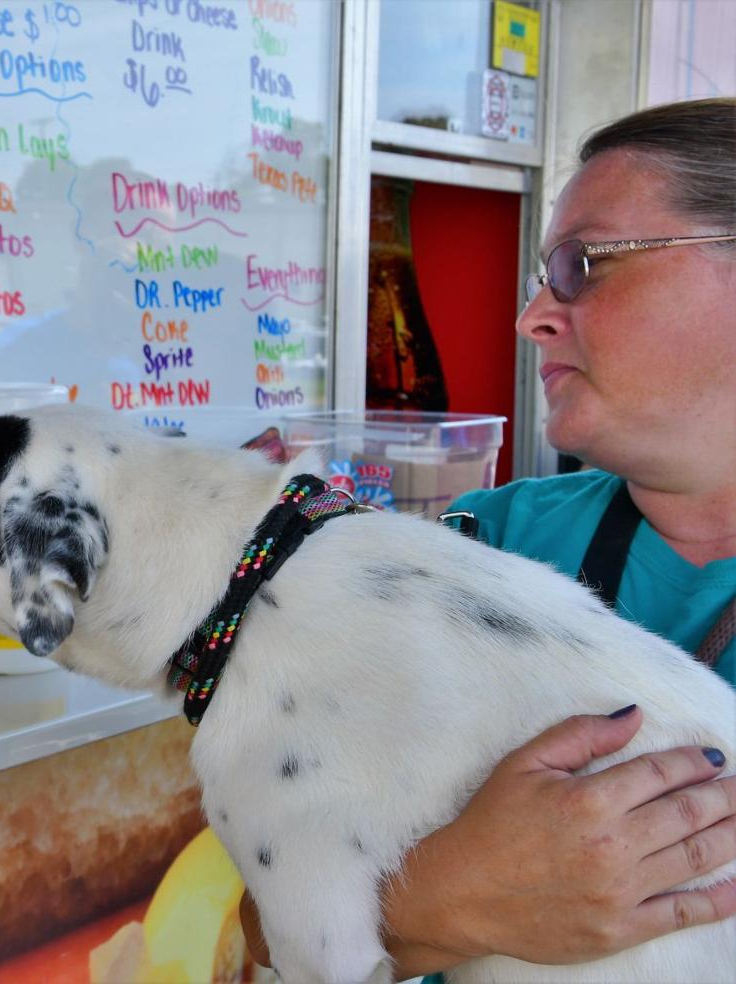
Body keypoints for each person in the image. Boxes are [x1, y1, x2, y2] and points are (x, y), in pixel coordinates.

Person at [242, 97, 736, 977]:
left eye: (582, 264)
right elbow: (252, 922)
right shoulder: (483, 548)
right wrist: (454, 891)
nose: (534, 316)